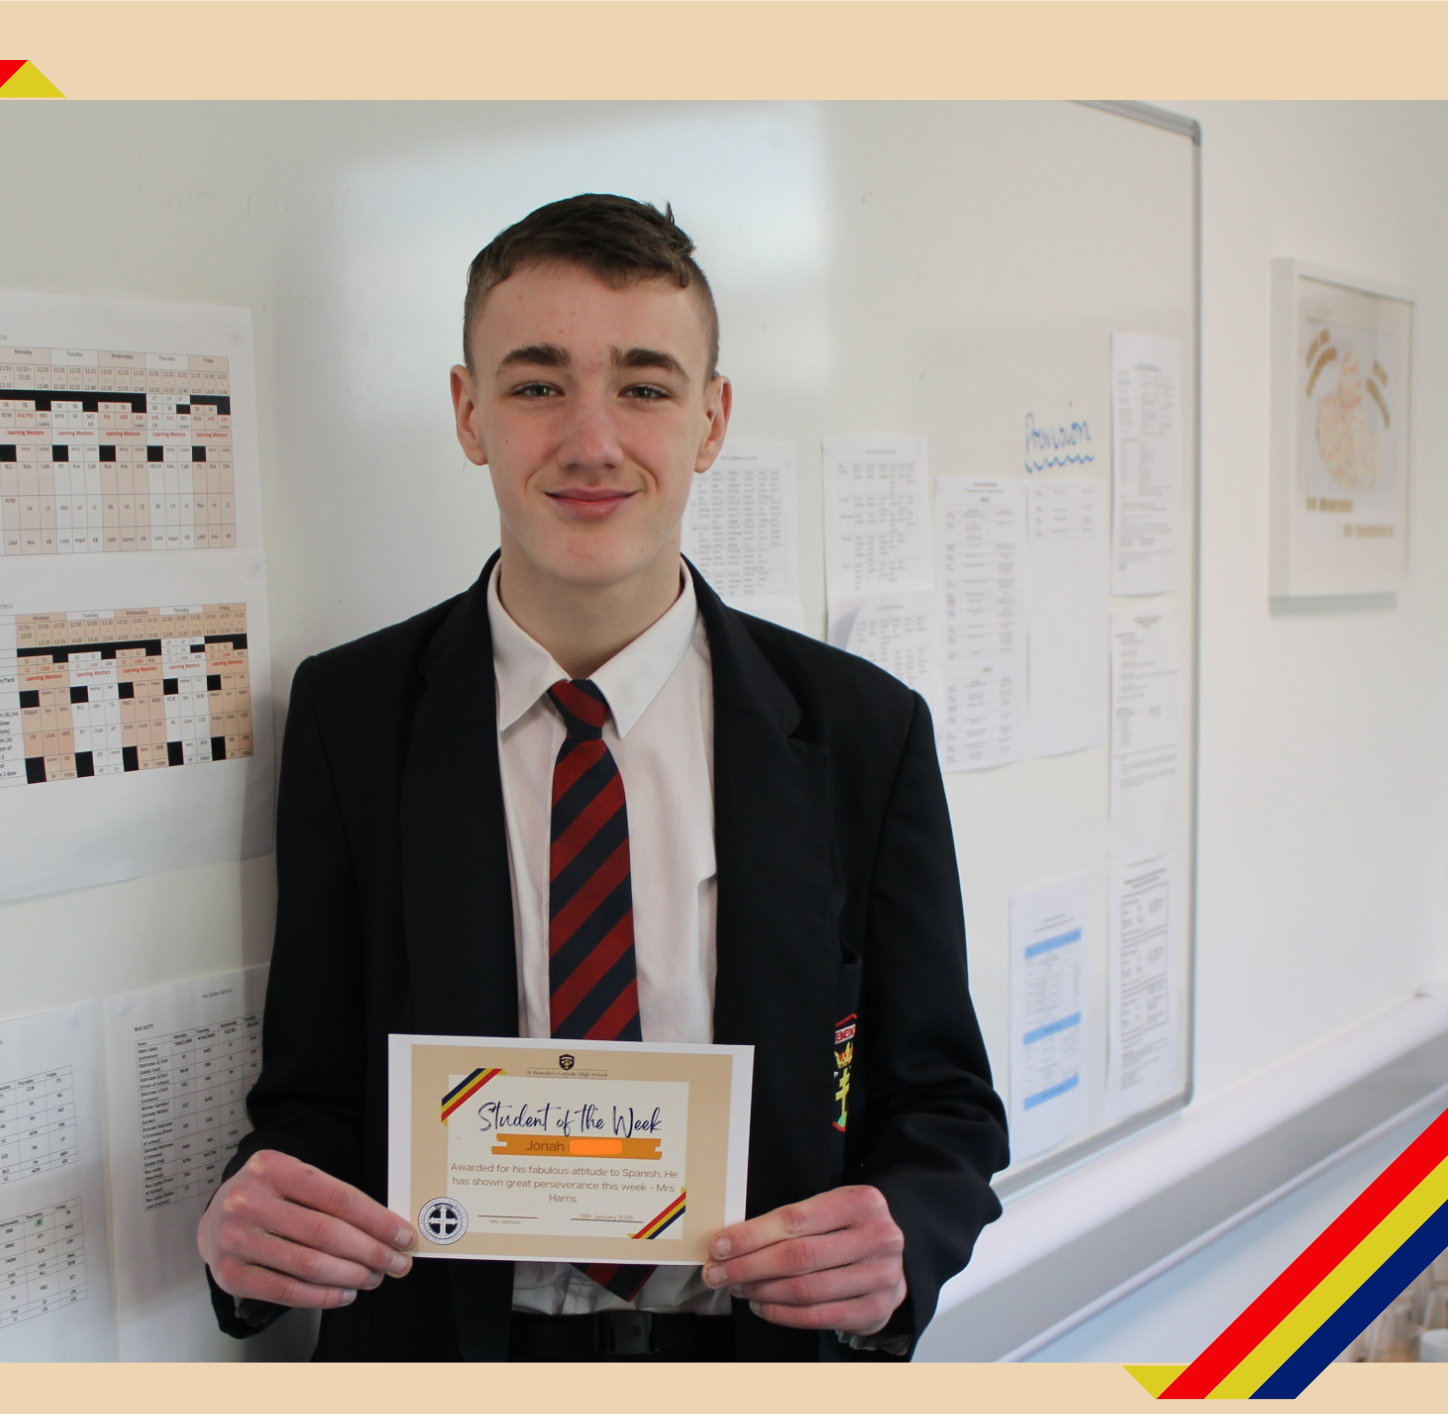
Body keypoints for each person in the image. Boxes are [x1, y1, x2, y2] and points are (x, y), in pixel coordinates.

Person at [197, 194, 1008, 1361]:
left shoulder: (860, 732)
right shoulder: (352, 717)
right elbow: (315, 1097)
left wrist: (904, 1231)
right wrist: (260, 1224)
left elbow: (941, 1104)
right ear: (468, 413)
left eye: (643, 386)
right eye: (536, 385)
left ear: (709, 420)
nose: (590, 441)